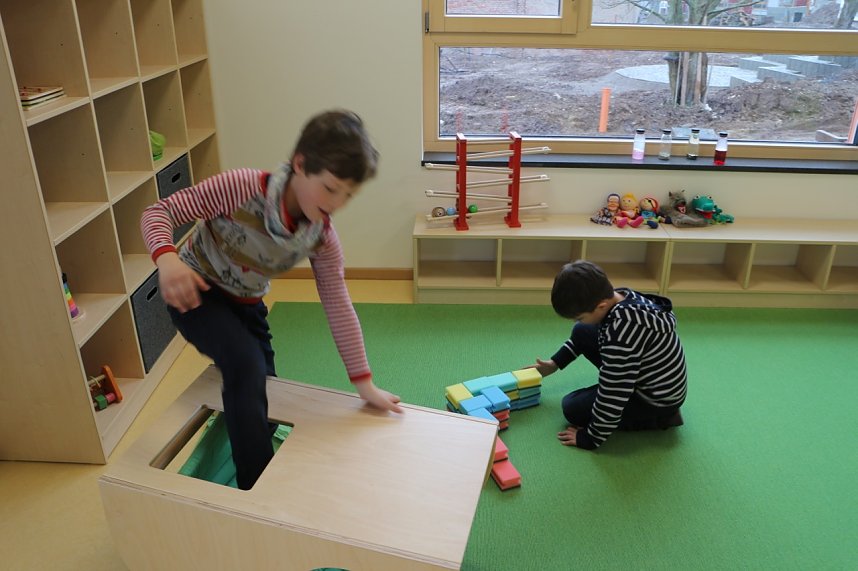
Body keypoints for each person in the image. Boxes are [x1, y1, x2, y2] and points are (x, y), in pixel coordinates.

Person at [141, 109, 403, 489]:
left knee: (268, 392)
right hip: (196, 293)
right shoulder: (243, 187)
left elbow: (338, 304)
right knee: (245, 366)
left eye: (348, 195)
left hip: (248, 307)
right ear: (300, 164)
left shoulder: (320, 237)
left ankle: (247, 456)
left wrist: (364, 384)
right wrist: (166, 259)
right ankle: (255, 488)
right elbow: (158, 212)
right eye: (330, 188)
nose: (337, 203)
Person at [530, 260, 687, 450]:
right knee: (582, 330)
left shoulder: (621, 334)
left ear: (601, 306)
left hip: (654, 399)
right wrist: (555, 363)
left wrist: (591, 437)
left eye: (579, 316)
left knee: (572, 408)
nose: (576, 321)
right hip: (650, 378)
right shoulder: (621, 297)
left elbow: (615, 391)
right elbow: (585, 334)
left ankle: (662, 418)